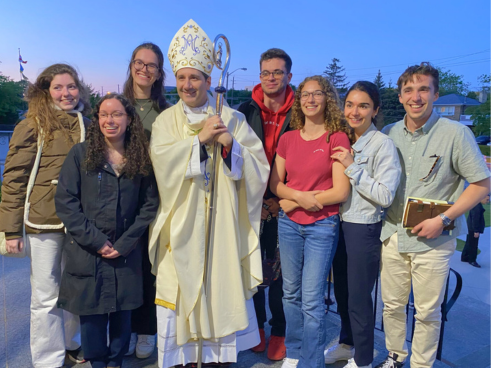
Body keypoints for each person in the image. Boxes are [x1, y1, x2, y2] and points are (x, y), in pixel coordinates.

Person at [148, 19, 270, 368]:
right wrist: (199, 141)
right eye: (182, 78)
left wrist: (231, 146)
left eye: (195, 77)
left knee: (218, 293)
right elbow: (162, 162)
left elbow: (258, 170)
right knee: (177, 298)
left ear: (207, 79)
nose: (188, 85)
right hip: (181, 225)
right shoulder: (166, 120)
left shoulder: (231, 118)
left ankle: (216, 361)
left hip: (221, 230)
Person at [377, 62, 491, 368]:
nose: (416, 97)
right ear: (400, 96)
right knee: (391, 306)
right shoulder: (389, 133)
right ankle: (395, 357)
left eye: (423, 89)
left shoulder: (455, 134)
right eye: (409, 90)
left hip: (434, 240)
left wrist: (442, 219)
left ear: (435, 94)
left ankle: (421, 364)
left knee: (427, 312)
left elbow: (481, 185)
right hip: (393, 236)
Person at [55, 94, 159, 368]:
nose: (109, 120)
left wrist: (125, 243)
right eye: (103, 114)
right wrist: (97, 242)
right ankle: (97, 363)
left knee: (123, 315)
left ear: (129, 119)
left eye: (116, 114)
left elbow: (149, 205)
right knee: (92, 317)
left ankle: (115, 363)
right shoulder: (80, 154)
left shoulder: (140, 159)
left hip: (126, 252)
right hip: (88, 252)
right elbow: (66, 203)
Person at [0, 63, 89, 367]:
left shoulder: (87, 124)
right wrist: (11, 231)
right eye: (58, 87)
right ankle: (48, 359)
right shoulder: (32, 124)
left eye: (71, 86)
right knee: (46, 295)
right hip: (43, 222)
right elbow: (13, 178)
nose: (66, 93)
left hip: (79, 223)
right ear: (46, 90)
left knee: (76, 289)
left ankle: (72, 342)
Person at [269, 75, 352, 368]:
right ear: (299, 99)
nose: (311, 99)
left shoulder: (337, 137)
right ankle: (293, 353)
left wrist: (297, 200)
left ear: (327, 98)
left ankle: (311, 362)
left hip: (322, 226)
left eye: (317, 94)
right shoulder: (289, 138)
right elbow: (275, 184)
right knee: (290, 293)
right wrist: (296, 199)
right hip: (289, 224)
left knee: (312, 298)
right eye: (305, 94)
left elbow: (341, 191)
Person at [324, 81, 401, 368]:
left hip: (363, 227)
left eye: (363, 106)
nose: (355, 112)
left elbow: (384, 194)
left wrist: (352, 166)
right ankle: (346, 343)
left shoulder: (382, 144)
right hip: (335, 224)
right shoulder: (341, 138)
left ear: (375, 110)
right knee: (341, 291)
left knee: (358, 297)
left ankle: (364, 359)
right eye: (350, 104)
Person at [237, 47, 293, 361]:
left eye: (278, 72)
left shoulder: (300, 113)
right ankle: (256, 327)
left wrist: (281, 199)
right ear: (260, 76)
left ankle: (280, 330)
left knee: (284, 273)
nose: (271, 78)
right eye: (266, 72)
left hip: (286, 203)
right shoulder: (245, 110)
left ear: (288, 76)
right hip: (252, 203)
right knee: (253, 268)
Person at [122, 42, 169, 359]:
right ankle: (122, 329)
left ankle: (146, 330)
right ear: (131, 66)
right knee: (121, 266)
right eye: (139, 62)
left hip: (152, 198)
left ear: (159, 73)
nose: (144, 69)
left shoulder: (166, 114)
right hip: (118, 198)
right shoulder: (114, 105)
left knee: (149, 266)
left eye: (151, 65)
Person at [461, 194, 489, 268]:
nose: (488, 201)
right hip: (473, 229)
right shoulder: (477, 207)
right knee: (473, 245)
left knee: (469, 242)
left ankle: (464, 257)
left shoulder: (475, 205)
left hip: (470, 227)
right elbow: (475, 219)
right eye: (487, 200)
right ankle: (472, 260)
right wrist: (476, 230)